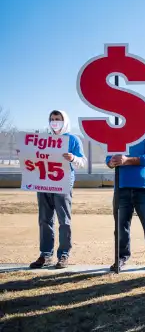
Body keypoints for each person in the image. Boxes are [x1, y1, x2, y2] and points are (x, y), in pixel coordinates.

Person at [29, 110, 87, 269]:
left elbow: (82, 161)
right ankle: (46, 254)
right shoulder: (43, 139)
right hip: (43, 183)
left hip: (63, 184)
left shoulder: (72, 139)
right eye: (52, 119)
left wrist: (73, 158)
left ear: (65, 121)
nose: (55, 122)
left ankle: (63, 255)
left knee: (64, 220)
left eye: (58, 119)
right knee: (44, 220)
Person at [106, 132, 145, 271]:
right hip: (121, 187)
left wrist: (128, 160)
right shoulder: (118, 136)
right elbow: (109, 158)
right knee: (121, 226)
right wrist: (111, 162)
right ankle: (120, 257)